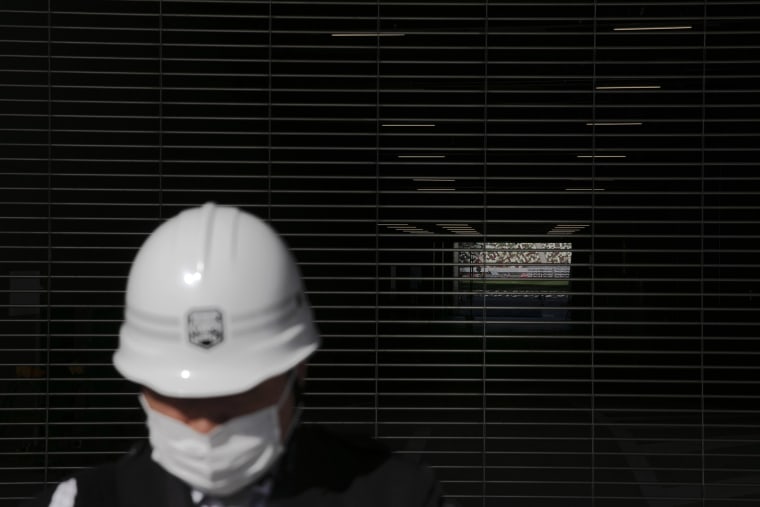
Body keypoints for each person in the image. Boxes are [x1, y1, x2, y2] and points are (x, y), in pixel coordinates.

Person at [22, 202, 445, 507]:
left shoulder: (398, 496)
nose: (205, 424)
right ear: (142, 385)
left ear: (298, 369)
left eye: (235, 389)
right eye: (179, 394)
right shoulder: (83, 502)